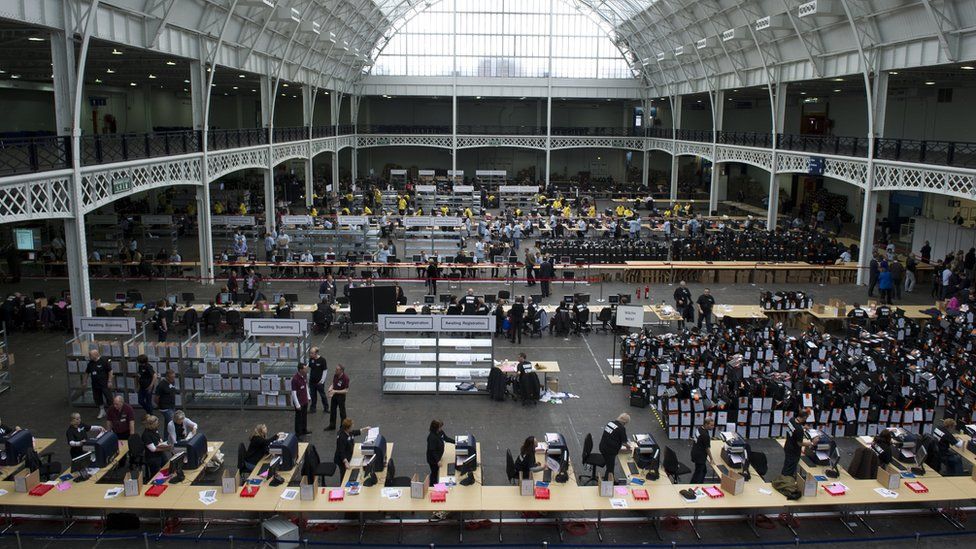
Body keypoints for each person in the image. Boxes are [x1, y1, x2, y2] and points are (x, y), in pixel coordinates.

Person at [782, 409, 814, 476]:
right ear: (804, 417)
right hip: (794, 451)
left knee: (787, 464)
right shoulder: (799, 429)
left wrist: (803, 427)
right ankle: (786, 480)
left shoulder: (792, 419)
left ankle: (784, 477)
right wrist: (811, 443)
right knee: (790, 468)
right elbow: (799, 443)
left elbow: (794, 428)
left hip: (787, 446)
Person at [599, 413, 630, 480]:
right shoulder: (621, 428)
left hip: (602, 446)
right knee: (610, 469)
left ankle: (610, 479)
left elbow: (613, 435)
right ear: (625, 422)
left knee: (609, 465)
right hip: (609, 451)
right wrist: (629, 447)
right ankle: (607, 483)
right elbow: (624, 443)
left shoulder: (610, 423)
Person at [84, 349, 113, 419]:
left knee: (109, 397)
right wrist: (84, 381)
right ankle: (102, 411)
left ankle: (112, 412)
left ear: (95, 355)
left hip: (104, 384)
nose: (89, 356)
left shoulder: (103, 361)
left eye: (90, 355)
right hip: (95, 385)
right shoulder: (90, 363)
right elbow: (87, 372)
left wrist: (109, 381)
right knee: (97, 398)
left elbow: (110, 371)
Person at [426, 420, 455, 485]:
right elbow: (432, 451)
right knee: (434, 472)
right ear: (435, 428)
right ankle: (432, 485)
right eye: (440, 427)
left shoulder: (440, 432)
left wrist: (456, 442)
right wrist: (438, 461)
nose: (441, 428)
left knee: (436, 471)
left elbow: (446, 438)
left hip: (438, 456)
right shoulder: (432, 437)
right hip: (433, 460)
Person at [324, 364, 350, 431]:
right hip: (334, 396)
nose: (335, 370)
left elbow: (346, 390)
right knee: (333, 411)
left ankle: (343, 427)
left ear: (341, 371)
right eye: (336, 369)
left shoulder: (345, 378)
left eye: (337, 370)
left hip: (341, 397)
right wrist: (330, 388)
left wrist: (335, 391)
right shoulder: (335, 375)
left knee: (342, 412)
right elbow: (333, 383)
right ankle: (332, 425)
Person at [690, 418, 715, 483]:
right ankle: (692, 485)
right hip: (700, 456)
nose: (713, 427)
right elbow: (707, 448)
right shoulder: (705, 435)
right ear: (706, 424)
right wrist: (711, 459)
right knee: (698, 473)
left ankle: (700, 483)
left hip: (695, 452)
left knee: (703, 471)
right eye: (711, 425)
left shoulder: (699, 429)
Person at [291, 362, 311, 437]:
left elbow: (306, 386)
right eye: (305, 369)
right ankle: (298, 434)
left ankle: (304, 430)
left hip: (304, 400)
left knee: (304, 416)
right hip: (299, 402)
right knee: (298, 418)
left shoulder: (304, 376)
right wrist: (297, 404)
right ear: (300, 370)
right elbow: (293, 393)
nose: (306, 370)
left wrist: (308, 396)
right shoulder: (295, 379)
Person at [308, 347, 328, 414]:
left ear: (316, 353)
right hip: (312, 382)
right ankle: (313, 408)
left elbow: (325, 371)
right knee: (313, 395)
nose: (310, 354)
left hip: (319, 382)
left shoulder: (322, 360)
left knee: (323, 395)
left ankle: (326, 408)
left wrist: (322, 381)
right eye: (310, 353)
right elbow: (311, 368)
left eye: (312, 353)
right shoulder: (311, 359)